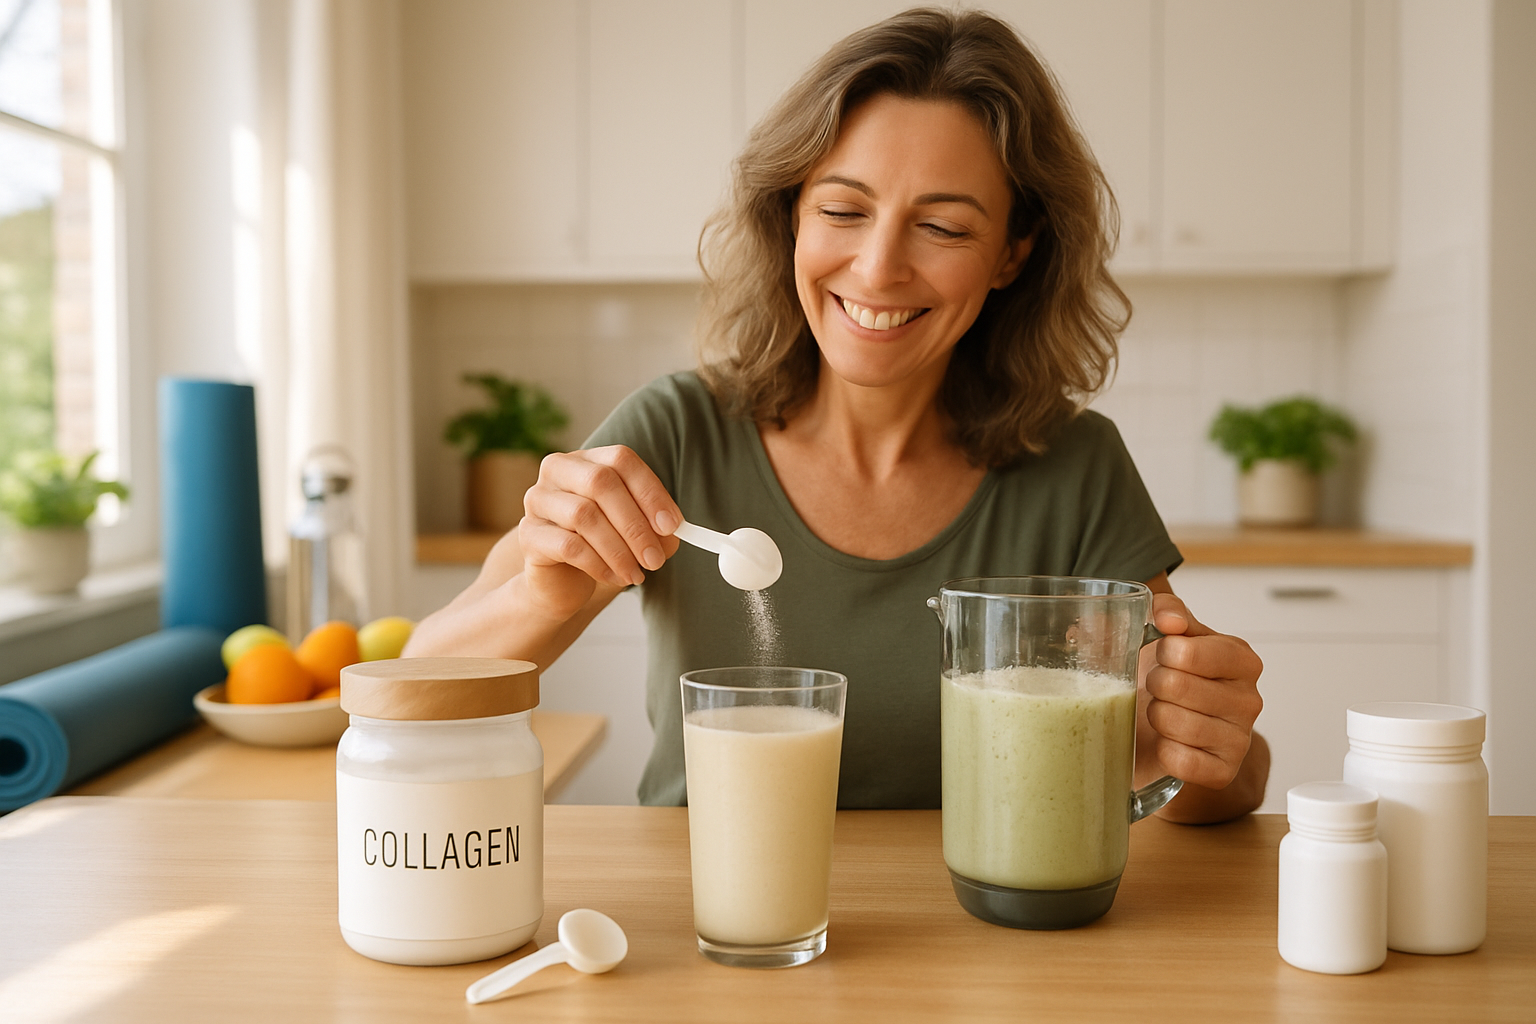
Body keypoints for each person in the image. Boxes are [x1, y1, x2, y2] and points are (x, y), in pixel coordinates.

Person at [406, 7, 1268, 822]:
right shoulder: (676, 435)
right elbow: (410, 697)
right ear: (790, 216)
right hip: (711, 932)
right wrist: (540, 597)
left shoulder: (1074, 466)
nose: (879, 266)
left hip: (978, 945)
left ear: (1012, 254)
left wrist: (1187, 736)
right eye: (844, 210)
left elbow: (1225, 778)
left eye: (943, 227)